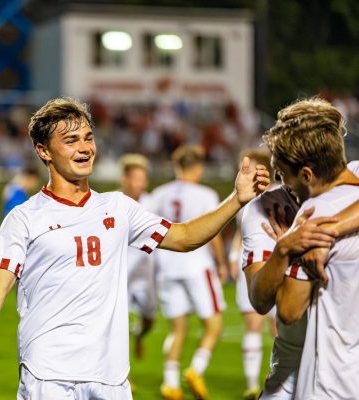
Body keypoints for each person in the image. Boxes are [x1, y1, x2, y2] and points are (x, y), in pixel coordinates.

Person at [0, 97, 270, 399]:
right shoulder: (25, 217)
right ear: (43, 151)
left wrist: (236, 200)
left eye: (88, 137)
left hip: (110, 377)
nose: (84, 147)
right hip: (48, 374)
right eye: (70, 141)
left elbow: (183, 237)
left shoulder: (118, 207)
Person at [260, 98, 359, 399]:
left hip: (330, 382)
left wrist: (288, 249)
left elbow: (289, 312)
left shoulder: (312, 217)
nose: (280, 183)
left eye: (282, 174)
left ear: (306, 174)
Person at [149, 145, 228, 400]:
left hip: (167, 266)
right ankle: (195, 369)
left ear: (176, 166)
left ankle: (171, 383)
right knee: (213, 324)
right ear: (198, 167)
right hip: (197, 264)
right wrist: (222, 263)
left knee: (177, 329)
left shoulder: (158, 194)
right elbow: (212, 234)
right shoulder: (205, 194)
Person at [229, 149, 277, 400]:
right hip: (251, 263)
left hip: (278, 264)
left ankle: (278, 381)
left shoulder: (283, 194)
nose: (242, 171)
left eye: (248, 167)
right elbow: (241, 231)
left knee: (281, 328)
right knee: (253, 323)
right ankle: (250, 383)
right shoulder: (242, 196)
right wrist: (231, 256)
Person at [118, 153, 156, 359]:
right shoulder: (114, 204)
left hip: (145, 273)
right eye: (136, 178)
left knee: (149, 320)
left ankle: (139, 335)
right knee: (118, 326)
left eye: (143, 179)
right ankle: (125, 375)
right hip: (121, 273)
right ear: (125, 179)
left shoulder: (153, 203)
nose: (141, 183)